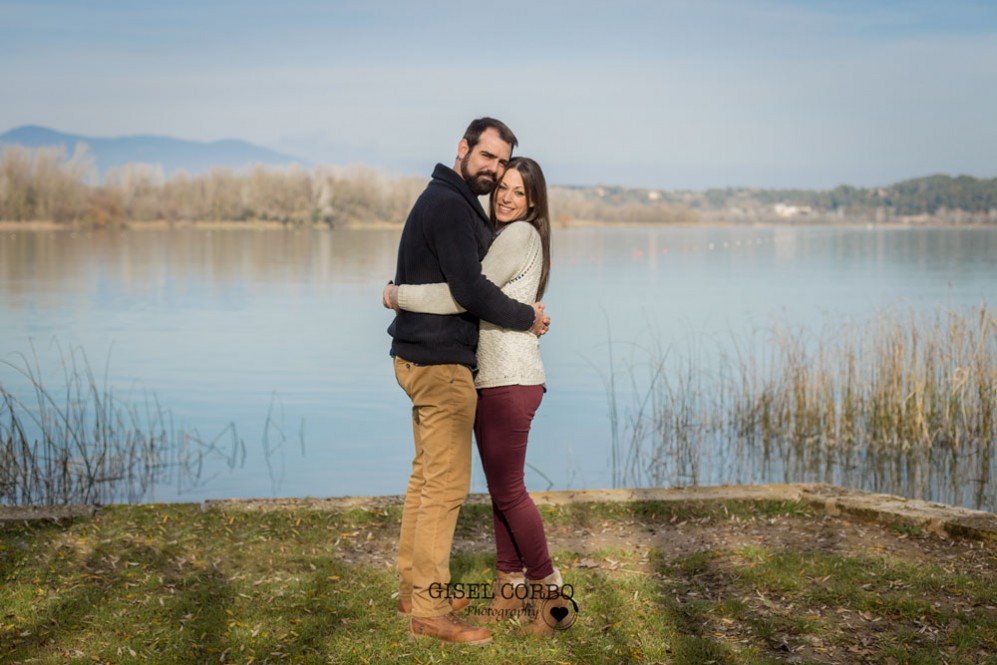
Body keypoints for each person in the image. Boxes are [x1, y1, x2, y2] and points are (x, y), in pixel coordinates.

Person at [385, 157, 568, 636]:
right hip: (493, 378)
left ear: (533, 202)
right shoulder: (500, 234)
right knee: (501, 492)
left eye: (518, 191)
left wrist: (397, 295)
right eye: (502, 187)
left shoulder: (519, 236)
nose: (506, 196)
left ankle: (551, 596)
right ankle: (508, 593)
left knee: (510, 491)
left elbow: (462, 294)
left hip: (510, 379)